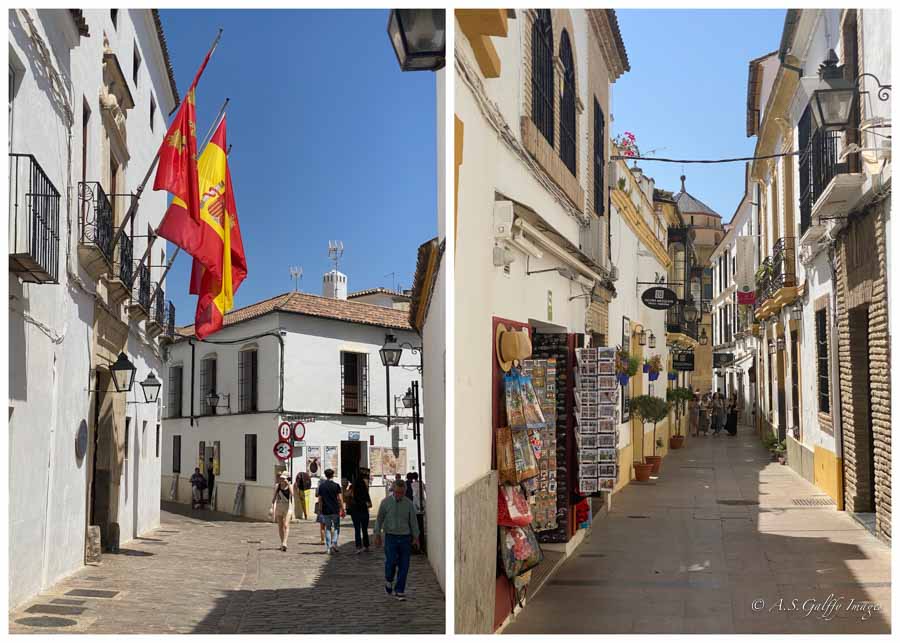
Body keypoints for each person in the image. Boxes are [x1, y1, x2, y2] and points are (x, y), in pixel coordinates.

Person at [374, 479, 420, 601]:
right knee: (391, 562)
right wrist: (377, 534)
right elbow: (379, 519)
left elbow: (413, 521)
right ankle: (388, 580)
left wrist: (416, 537)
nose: (400, 495)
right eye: (398, 492)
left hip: (405, 537)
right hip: (391, 537)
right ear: (393, 491)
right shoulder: (386, 503)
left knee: (404, 565)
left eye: (402, 492)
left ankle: (400, 590)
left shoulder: (409, 504)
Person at [316, 468, 344, 554]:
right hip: (335, 509)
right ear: (333, 475)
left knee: (327, 528)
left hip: (325, 509)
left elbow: (320, 499)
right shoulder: (336, 485)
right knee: (336, 527)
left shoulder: (322, 486)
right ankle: (334, 542)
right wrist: (342, 508)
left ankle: (328, 548)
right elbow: (340, 498)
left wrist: (320, 509)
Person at [348, 470, 373, 553]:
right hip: (363, 510)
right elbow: (368, 501)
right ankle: (366, 546)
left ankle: (358, 546)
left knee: (357, 529)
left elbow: (348, 496)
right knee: (365, 529)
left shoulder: (353, 487)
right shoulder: (364, 489)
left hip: (355, 511)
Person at [271, 471, 293, 552]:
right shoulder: (278, 486)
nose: (282, 480)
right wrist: (272, 508)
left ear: (287, 478)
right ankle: (282, 543)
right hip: (279, 507)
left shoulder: (290, 486)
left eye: (284, 478)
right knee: (280, 526)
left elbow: (292, 494)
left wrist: (289, 485)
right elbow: (274, 498)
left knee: (286, 525)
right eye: (281, 478)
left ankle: (285, 542)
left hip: (288, 507)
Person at [411, 472, 426, 555]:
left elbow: (415, 494)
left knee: (417, 526)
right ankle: (421, 545)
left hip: (416, 505)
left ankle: (418, 545)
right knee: (422, 525)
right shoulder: (422, 483)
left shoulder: (413, 484)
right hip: (422, 503)